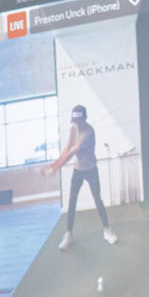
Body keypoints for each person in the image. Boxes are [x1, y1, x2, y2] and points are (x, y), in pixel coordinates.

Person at [44, 104, 118, 250]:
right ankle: (69, 235)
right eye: (74, 121)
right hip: (78, 170)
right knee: (72, 201)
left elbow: (73, 151)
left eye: (78, 121)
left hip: (91, 169)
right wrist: (54, 165)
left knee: (97, 199)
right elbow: (67, 147)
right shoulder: (73, 127)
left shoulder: (89, 132)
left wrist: (55, 167)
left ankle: (107, 230)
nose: (75, 124)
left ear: (84, 119)